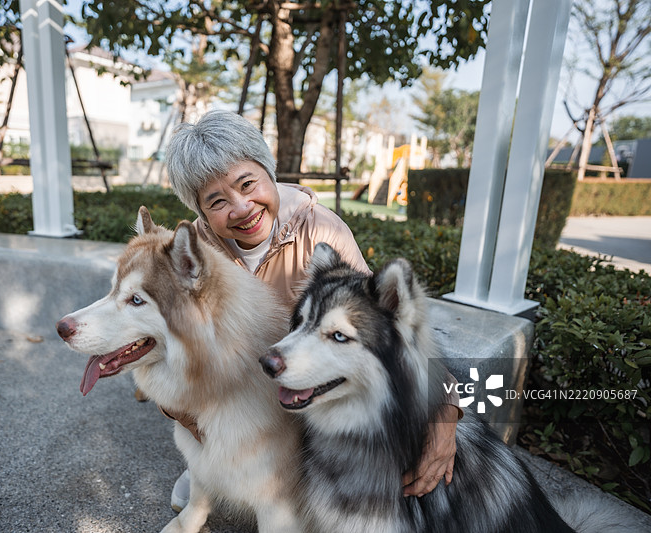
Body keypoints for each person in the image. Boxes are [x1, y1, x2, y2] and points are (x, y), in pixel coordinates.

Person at [164, 109, 461, 511]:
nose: (241, 207)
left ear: (269, 172)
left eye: (247, 183)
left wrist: (446, 413)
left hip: (307, 384)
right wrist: (201, 428)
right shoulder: (190, 255)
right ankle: (211, 466)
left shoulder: (322, 230)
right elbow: (163, 342)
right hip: (230, 395)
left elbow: (385, 328)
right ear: (200, 212)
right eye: (217, 201)